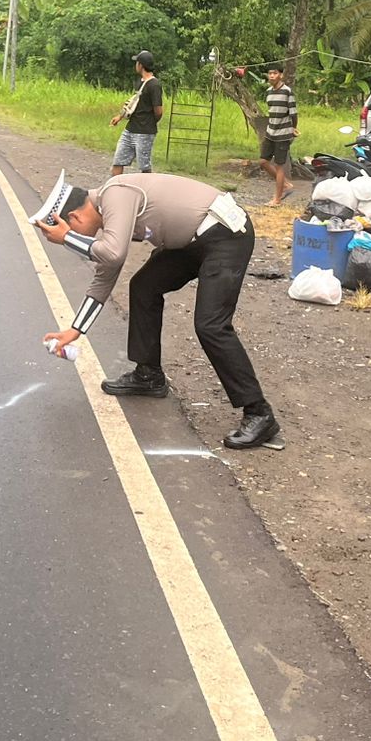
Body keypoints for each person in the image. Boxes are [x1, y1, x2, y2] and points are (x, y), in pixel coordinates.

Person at [31, 170, 279, 449]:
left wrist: (67, 238)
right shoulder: (110, 211)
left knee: (210, 324)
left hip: (225, 234)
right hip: (189, 241)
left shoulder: (116, 192)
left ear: (73, 218)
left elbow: (112, 252)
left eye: (71, 229)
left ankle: (259, 412)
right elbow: (106, 273)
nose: (74, 236)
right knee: (144, 286)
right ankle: (148, 375)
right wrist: (75, 331)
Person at [110, 50, 163, 175]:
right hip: (130, 129)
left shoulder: (154, 85)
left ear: (141, 65)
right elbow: (135, 103)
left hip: (144, 132)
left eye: (137, 63)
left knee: (144, 166)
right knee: (118, 161)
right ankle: (114, 189)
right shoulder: (141, 82)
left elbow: (159, 111)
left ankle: (148, 190)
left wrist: (148, 122)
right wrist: (120, 116)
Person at [261, 62, 299, 206]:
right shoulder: (269, 92)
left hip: (283, 133)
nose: (272, 76)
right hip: (270, 132)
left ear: (281, 75)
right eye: (270, 73)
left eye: (275, 73)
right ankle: (285, 185)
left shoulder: (287, 91)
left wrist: (293, 128)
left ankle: (277, 199)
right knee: (263, 162)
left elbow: (294, 113)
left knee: (279, 165)